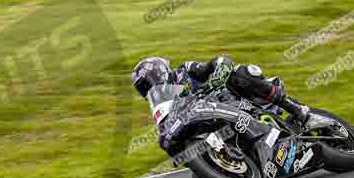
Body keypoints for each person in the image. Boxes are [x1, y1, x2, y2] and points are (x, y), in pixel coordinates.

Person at [131, 56, 309, 127]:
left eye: (149, 81)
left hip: (235, 97)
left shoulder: (185, 71)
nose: (149, 88)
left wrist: (216, 77)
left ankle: (294, 108)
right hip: (218, 121)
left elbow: (220, 60)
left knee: (241, 74)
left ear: (160, 71)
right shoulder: (165, 107)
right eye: (144, 87)